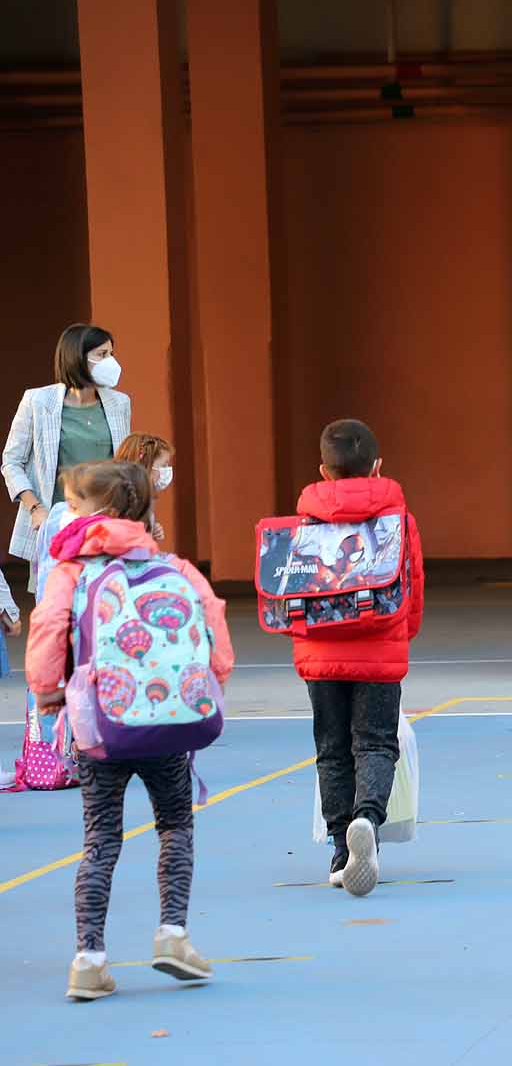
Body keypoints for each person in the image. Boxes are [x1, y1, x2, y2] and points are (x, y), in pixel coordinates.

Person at [26, 461, 234, 1001]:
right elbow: (215, 633)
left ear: (98, 512)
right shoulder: (173, 566)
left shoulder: (71, 571)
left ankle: (89, 957)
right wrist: (209, 684)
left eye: (74, 504)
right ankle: (173, 934)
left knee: (100, 839)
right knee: (175, 826)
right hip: (166, 727)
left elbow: (48, 630)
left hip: (98, 726)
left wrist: (49, 691)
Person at [292, 419, 425, 896]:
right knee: (375, 742)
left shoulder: (306, 517)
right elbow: (412, 584)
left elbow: (295, 584)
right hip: (379, 646)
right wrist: (401, 634)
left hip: (321, 648)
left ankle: (339, 847)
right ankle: (367, 818)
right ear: (377, 466)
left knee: (331, 747)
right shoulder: (398, 517)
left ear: (323, 471)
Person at [3, 324, 132, 591]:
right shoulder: (38, 402)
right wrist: (36, 509)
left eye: (111, 353)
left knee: (104, 606)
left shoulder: (120, 403)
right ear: (76, 357)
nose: (111, 362)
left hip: (105, 525)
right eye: (102, 354)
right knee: (57, 608)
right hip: (55, 527)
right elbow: (11, 461)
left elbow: (124, 466)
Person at [113, 432, 175, 542]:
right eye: (163, 465)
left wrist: (153, 528)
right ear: (145, 465)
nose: (167, 470)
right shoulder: (126, 500)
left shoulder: (145, 496)